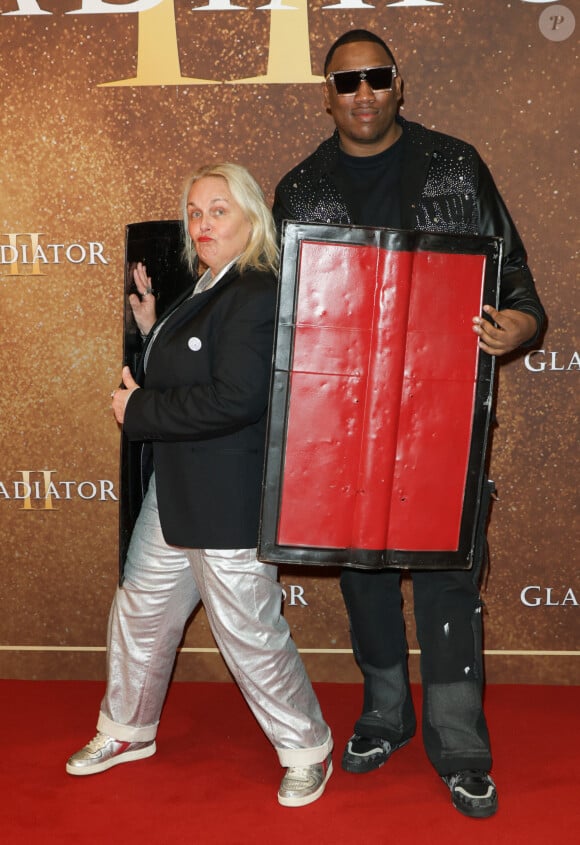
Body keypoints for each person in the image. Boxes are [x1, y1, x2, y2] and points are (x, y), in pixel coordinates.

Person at [273, 30, 546, 819]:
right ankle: (384, 716)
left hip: (441, 420)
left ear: (400, 86)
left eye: (377, 77)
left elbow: (520, 286)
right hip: (343, 426)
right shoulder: (299, 189)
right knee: (361, 580)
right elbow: (284, 315)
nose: (363, 92)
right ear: (327, 96)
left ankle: (461, 745)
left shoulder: (458, 164)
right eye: (347, 81)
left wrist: (518, 328)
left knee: (447, 584)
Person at [66, 162, 333, 808]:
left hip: (225, 498)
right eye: (194, 211)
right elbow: (195, 364)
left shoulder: (255, 288)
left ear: (250, 218)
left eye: (219, 209)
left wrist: (140, 412)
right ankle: (128, 728)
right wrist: (154, 324)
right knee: (142, 609)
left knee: (247, 629)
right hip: (177, 491)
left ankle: (308, 747)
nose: (203, 222)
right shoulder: (208, 286)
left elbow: (237, 398)